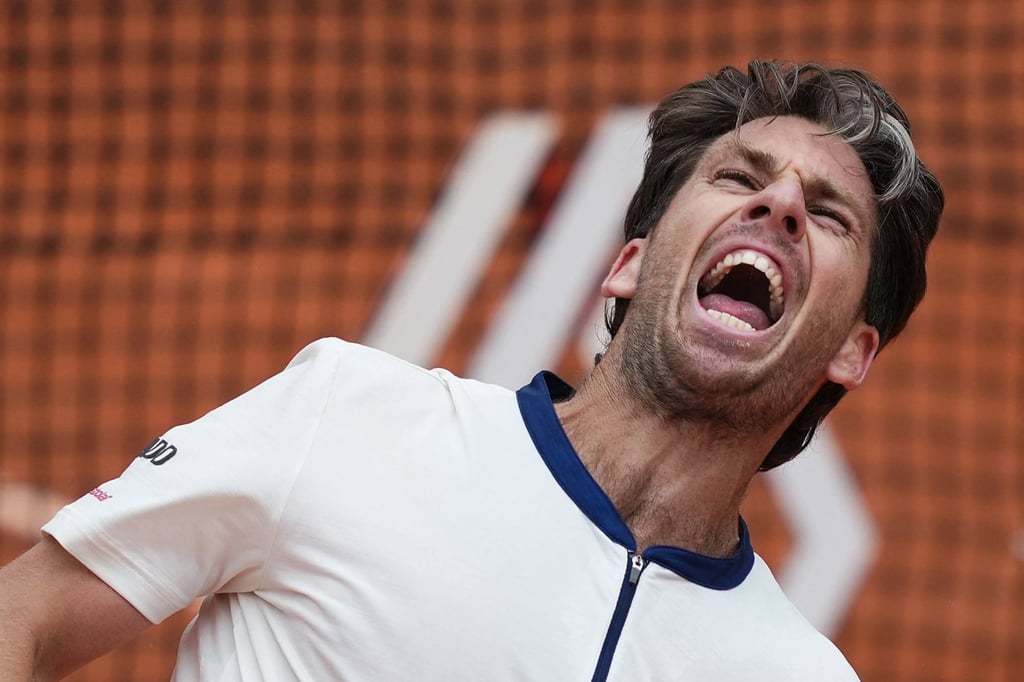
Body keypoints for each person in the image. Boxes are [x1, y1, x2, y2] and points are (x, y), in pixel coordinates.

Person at [0, 60, 943, 681]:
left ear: (851, 352)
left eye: (828, 214)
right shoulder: (349, 415)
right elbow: (27, 617)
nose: (779, 205)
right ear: (629, 263)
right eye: (739, 177)